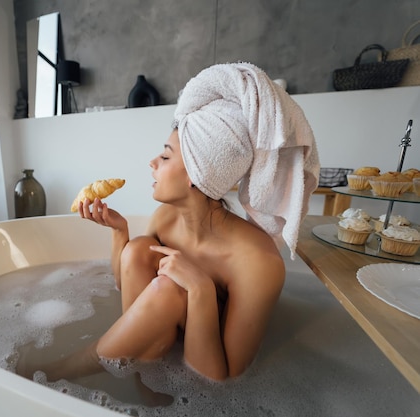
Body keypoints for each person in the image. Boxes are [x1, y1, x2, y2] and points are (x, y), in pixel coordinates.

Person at [22, 62, 320, 382]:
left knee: (168, 289)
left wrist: (200, 288)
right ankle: (138, 373)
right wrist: (119, 232)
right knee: (137, 249)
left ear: (197, 174)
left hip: (202, 368)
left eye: (165, 156)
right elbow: (128, 287)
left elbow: (226, 376)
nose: (152, 162)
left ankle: (74, 367)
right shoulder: (165, 218)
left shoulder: (258, 261)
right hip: (159, 349)